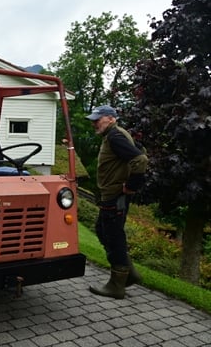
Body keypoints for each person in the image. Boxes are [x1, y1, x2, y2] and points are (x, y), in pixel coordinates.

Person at [85, 105, 148, 299]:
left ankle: (117, 285)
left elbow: (140, 159)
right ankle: (129, 274)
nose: (94, 123)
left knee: (113, 235)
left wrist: (131, 186)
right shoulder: (116, 134)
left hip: (115, 196)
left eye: (98, 119)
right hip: (112, 195)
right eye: (93, 120)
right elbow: (140, 149)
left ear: (111, 119)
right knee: (103, 230)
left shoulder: (115, 136)